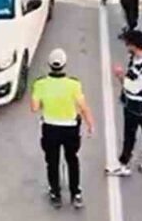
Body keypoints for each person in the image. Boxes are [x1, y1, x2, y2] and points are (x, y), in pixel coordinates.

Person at [30, 48, 95, 209]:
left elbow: (34, 108)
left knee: (52, 161)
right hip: (70, 129)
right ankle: (76, 193)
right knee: (72, 159)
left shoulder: (40, 83)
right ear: (64, 65)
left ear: (49, 65)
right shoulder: (74, 84)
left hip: (50, 128)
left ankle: (55, 193)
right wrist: (90, 124)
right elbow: (83, 107)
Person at [106, 30, 142, 176]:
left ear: (135, 46)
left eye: (128, 44)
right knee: (129, 135)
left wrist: (120, 75)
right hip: (131, 105)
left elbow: (135, 87)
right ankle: (123, 163)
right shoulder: (135, 57)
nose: (126, 46)